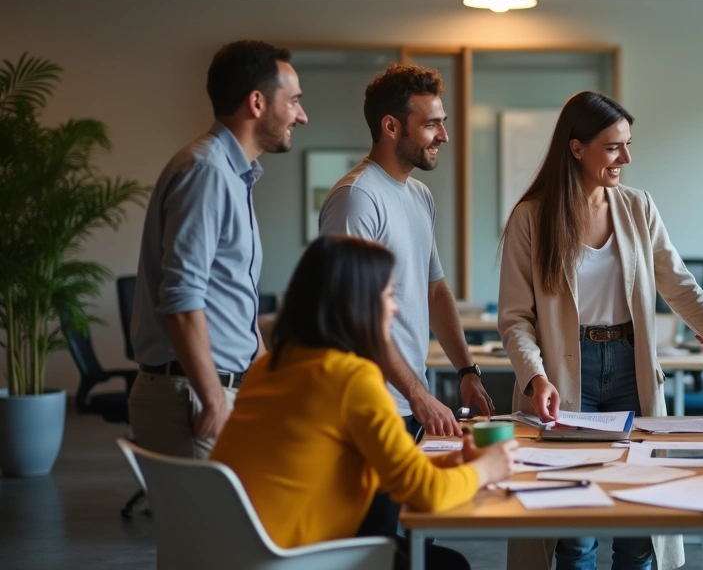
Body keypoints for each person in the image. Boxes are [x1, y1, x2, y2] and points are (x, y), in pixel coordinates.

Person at [498, 91, 703, 570]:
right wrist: (535, 377)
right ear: (576, 148)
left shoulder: (638, 207)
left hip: (628, 368)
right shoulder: (531, 217)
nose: (626, 157)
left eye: (628, 144)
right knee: (573, 526)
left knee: (640, 520)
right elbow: (516, 318)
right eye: (614, 147)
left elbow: (681, 289)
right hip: (563, 373)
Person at [210, 234, 517, 570]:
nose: (395, 307)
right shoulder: (351, 379)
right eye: (388, 294)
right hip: (296, 558)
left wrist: (457, 463)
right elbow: (424, 494)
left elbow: (390, 472)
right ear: (359, 304)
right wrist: (485, 469)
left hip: (237, 552)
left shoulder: (268, 368)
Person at [319, 63, 497, 540]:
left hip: (408, 402)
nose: (444, 135)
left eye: (442, 121)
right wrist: (418, 393)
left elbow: (435, 289)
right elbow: (353, 316)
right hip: (371, 404)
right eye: (431, 124)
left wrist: (466, 372)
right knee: (381, 543)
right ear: (391, 126)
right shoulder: (356, 198)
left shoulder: (418, 194)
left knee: (417, 534)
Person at [128, 40, 307, 459]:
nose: (301, 115)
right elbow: (182, 297)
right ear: (258, 102)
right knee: (212, 527)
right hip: (194, 396)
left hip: (216, 390)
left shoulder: (231, 174)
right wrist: (211, 399)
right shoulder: (206, 171)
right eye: (294, 101)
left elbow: (231, 302)